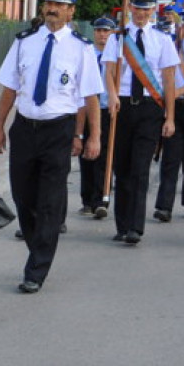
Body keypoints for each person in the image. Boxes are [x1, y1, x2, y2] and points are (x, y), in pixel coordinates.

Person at [0, 0, 102, 292]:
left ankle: (36, 270)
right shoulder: (25, 42)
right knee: (23, 196)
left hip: (59, 129)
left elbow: (91, 97)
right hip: (25, 127)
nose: (51, 9)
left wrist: (93, 137)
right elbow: (10, 87)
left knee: (51, 200)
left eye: (59, 5)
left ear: (71, 12)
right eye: (48, 3)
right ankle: (37, 245)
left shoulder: (81, 48)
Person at [102, 0, 178, 245]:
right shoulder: (118, 38)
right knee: (121, 167)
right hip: (122, 106)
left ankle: (136, 227)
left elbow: (168, 81)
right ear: (130, 8)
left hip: (149, 108)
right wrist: (111, 95)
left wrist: (169, 117)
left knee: (140, 168)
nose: (141, 12)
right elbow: (109, 72)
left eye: (146, 8)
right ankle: (122, 224)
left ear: (153, 10)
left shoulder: (163, 40)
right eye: (137, 7)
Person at [154, 7, 184, 221]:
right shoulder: (173, 49)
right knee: (170, 159)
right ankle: (164, 206)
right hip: (175, 107)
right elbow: (167, 79)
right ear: (183, 28)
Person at [79, 17, 116, 219]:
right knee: (86, 154)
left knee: (104, 155)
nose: (103, 35)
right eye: (99, 30)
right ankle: (86, 199)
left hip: (106, 110)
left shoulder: (116, 58)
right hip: (86, 110)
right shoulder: (87, 54)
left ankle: (100, 198)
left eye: (107, 31)